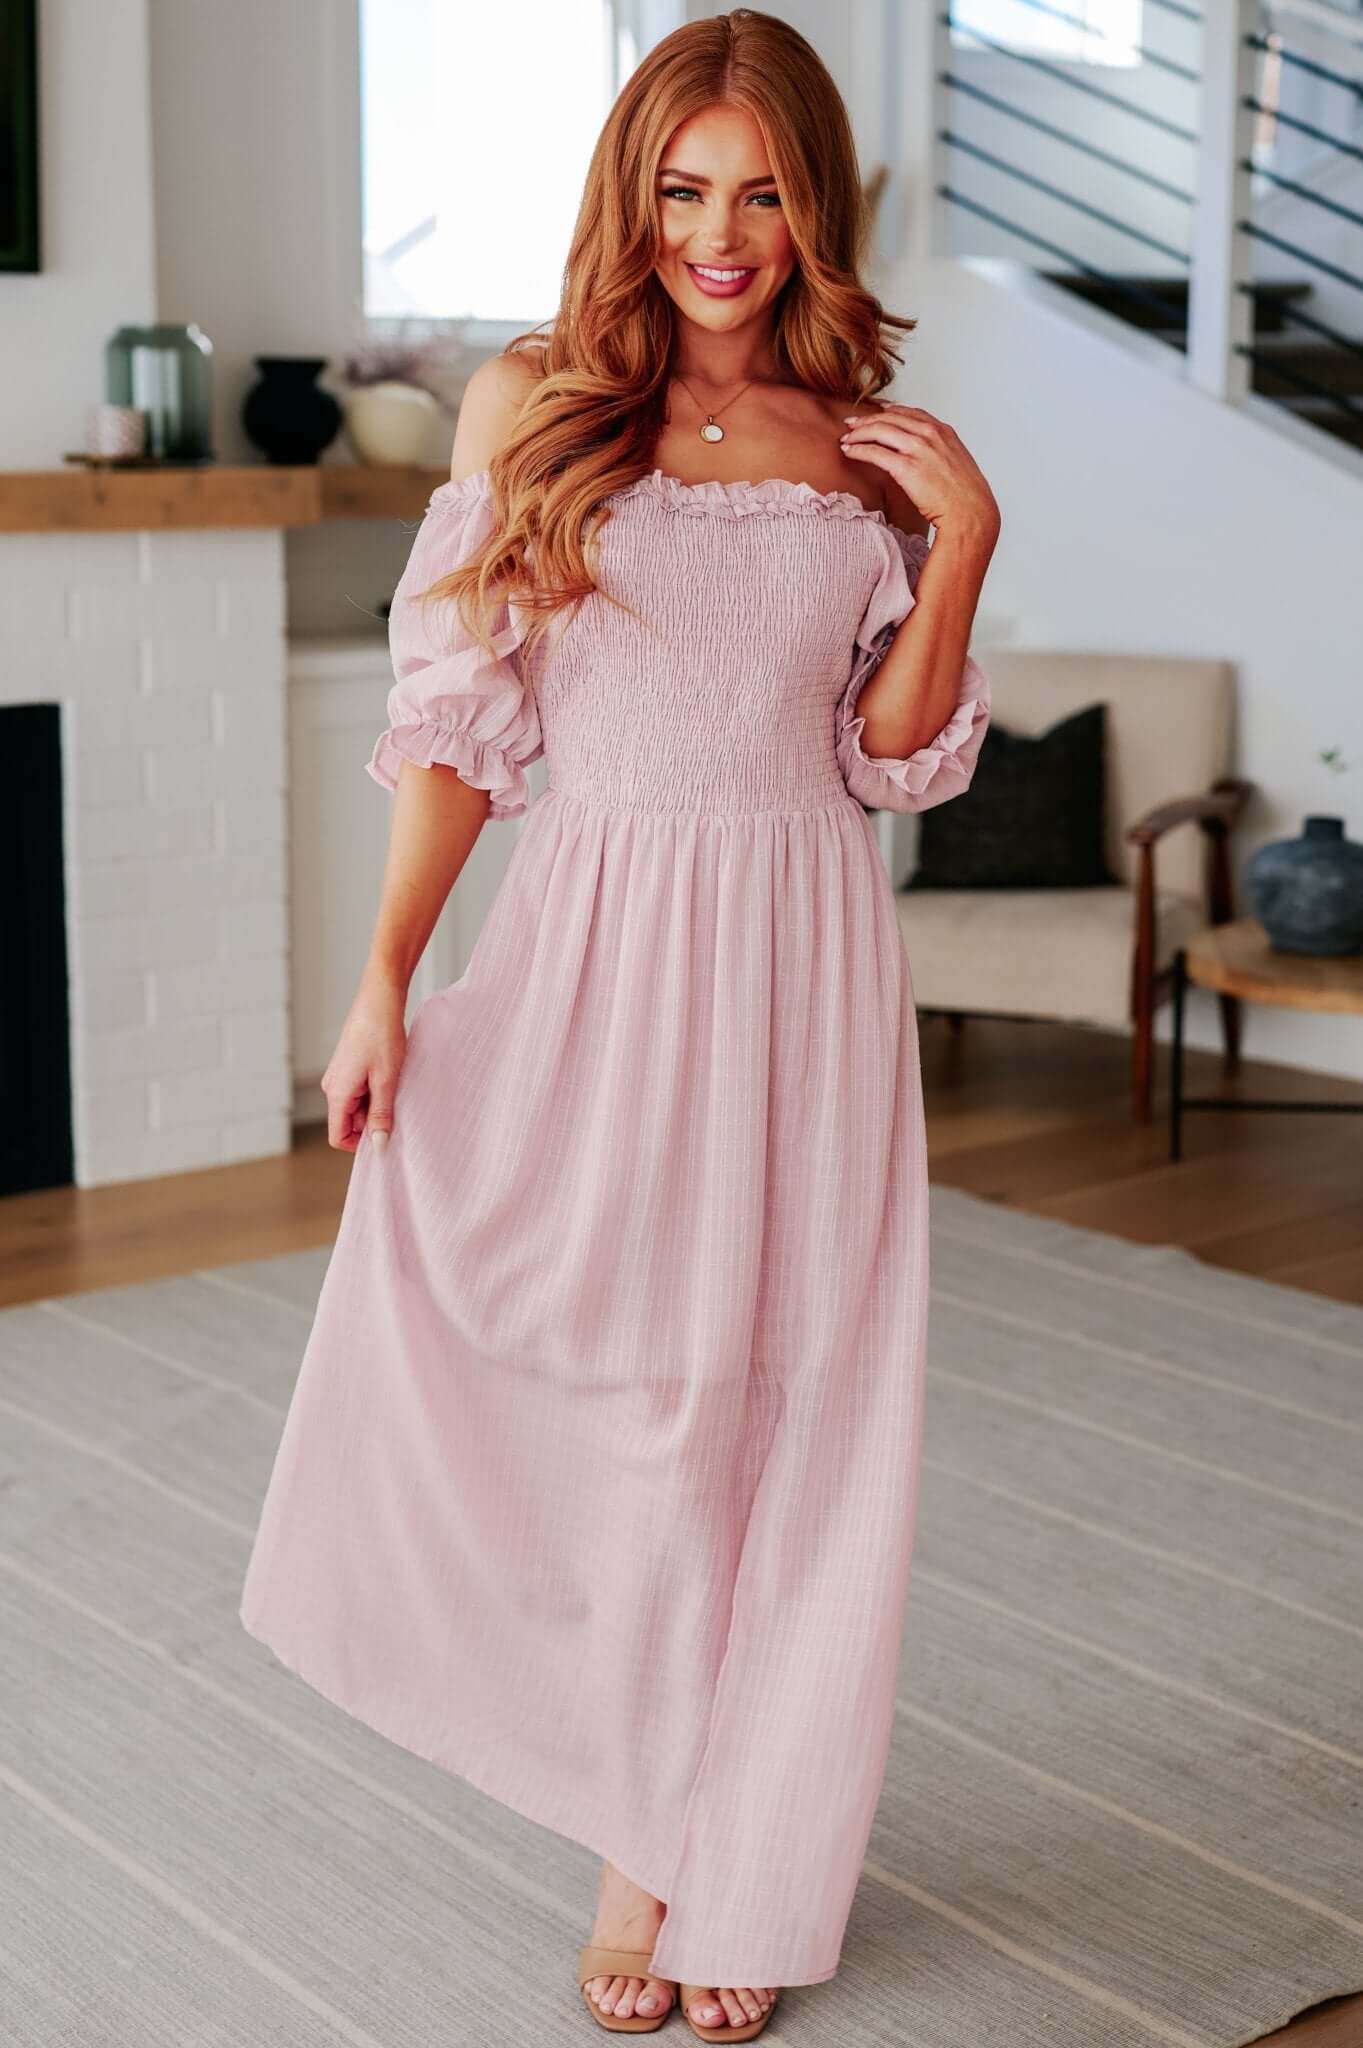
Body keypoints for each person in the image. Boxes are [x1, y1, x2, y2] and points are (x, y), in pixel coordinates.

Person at [238, 8, 999, 2039]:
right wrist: (385, 975)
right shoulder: (537, 401)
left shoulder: (870, 442)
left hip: (808, 962)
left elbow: (886, 757)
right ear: (628, 196)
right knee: (634, 1394)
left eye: (762, 195)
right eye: (680, 190)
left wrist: (960, 554)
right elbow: (460, 722)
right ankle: (638, 1833)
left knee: (805, 1415)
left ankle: (741, 1868)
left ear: (816, 207)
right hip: (600, 945)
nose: (719, 236)